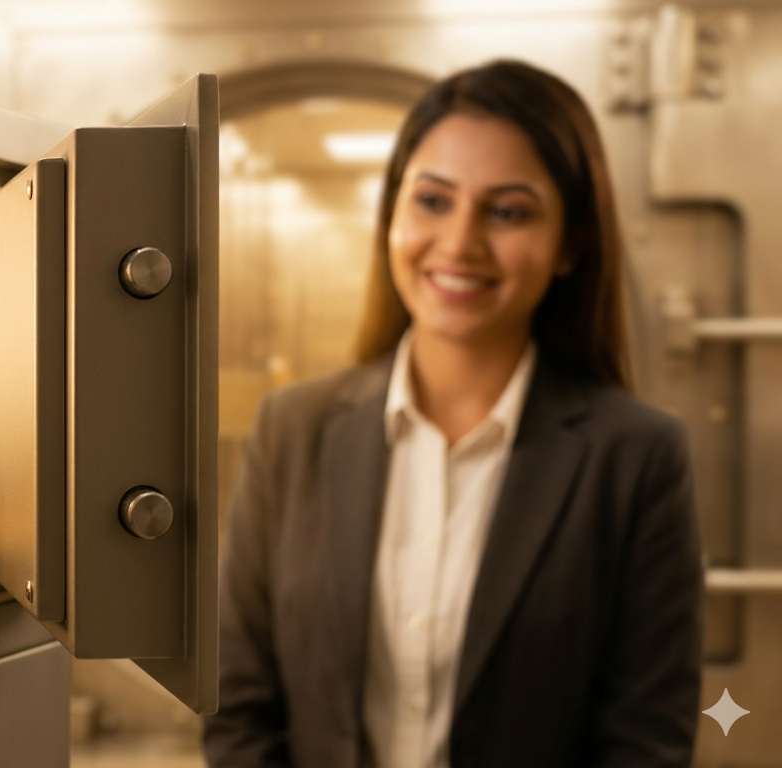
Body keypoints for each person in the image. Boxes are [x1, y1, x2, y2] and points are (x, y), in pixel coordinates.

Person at [202, 59, 703, 767]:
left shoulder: (637, 456)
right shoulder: (294, 430)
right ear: (393, 216)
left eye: (509, 211)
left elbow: (646, 740)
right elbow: (239, 711)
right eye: (433, 201)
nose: (460, 243)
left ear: (570, 245)